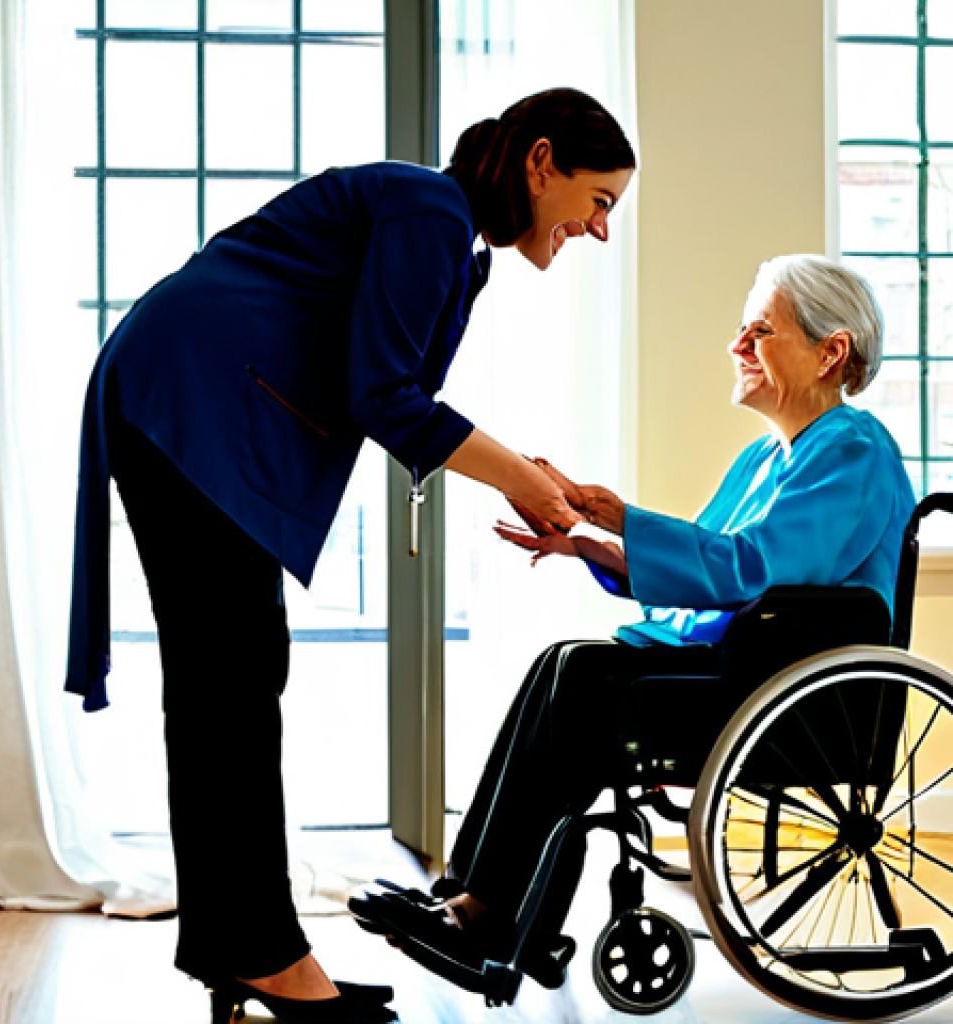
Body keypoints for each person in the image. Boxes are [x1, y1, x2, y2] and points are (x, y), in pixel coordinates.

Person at [63, 88, 635, 1024]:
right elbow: (386, 397)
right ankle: (264, 958)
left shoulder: (445, 232)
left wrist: (524, 473)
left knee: (232, 681)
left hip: (193, 402)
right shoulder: (431, 210)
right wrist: (515, 480)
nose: (600, 229)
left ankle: (247, 950)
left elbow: (393, 387)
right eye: (599, 199)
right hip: (193, 403)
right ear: (541, 165)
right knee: (230, 684)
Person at [350, 253, 917, 989]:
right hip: (742, 669)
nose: (736, 346)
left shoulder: (854, 449)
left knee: (583, 674)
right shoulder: (762, 458)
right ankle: (468, 897)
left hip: (800, 698)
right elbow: (697, 582)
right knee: (565, 661)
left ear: (830, 351)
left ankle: (487, 911)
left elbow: (749, 571)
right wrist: (587, 538)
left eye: (759, 330)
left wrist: (617, 516)